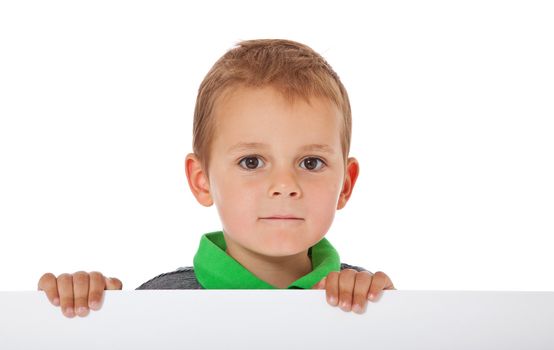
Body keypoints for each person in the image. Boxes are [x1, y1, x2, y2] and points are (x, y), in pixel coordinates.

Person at [38, 39, 395, 318]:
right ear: (202, 180)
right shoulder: (153, 305)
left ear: (345, 184)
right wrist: (82, 313)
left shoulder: (367, 301)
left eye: (311, 162)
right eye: (252, 161)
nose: (284, 185)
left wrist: (390, 318)